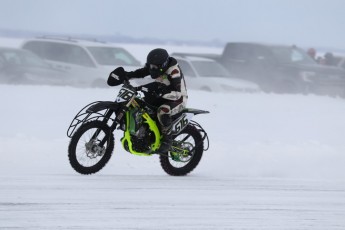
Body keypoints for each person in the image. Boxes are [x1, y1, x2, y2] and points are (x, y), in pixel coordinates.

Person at [107, 48, 188, 154]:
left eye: (154, 67)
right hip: (161, 95)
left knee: (162, 111)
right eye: (150, 65)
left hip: (177, 97)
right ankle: (142, 135)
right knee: (142, 107)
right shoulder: (155, 65)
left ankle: (167, 140)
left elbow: (174, 89)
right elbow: (143, 72)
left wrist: (155, 89)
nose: (151, 68)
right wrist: (128, 75)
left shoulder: (174, 71)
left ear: (162, 65)